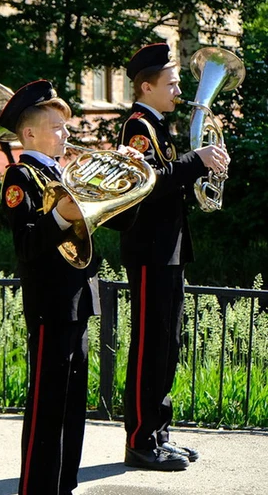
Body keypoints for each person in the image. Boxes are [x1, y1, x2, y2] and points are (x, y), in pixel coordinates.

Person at [0, 80, 141, 494]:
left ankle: (64, 486)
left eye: (65, 126)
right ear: (30, 134)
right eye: (57, 127)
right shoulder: (20, 176)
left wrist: (129, 183)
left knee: (71, 408)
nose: (66, 134)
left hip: (78, 301)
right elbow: (26, 244)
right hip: (49, 305)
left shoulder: (64, 171)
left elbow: (116, 223)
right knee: (46, 409)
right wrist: (60, 215)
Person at [118, 42, 228, 471]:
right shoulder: (137, 126)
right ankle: (140, 440)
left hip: (167, 249)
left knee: (168, 345)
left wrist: (206, 165)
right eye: (172, 82)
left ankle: (159, 433)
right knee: (149, 348)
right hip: (148, 251)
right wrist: (194, 161)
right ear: (147, 86)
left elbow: (174, 178)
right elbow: (147, 181)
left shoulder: (159, 124)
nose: (179, 89)